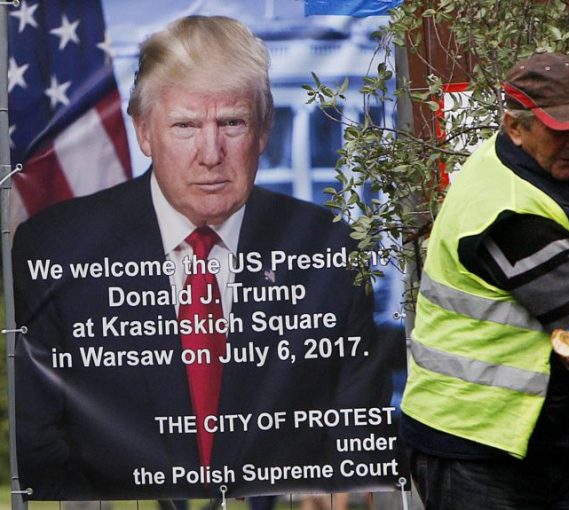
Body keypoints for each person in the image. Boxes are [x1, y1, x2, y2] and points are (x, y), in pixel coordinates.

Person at [13, 16, 397, 501]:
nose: (210, 153)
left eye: (231, 123)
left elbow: (356, 429)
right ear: (144, 133)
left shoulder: (329, 248)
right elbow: (39, 443)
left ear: (263, 131)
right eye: (186, 126)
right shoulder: (56, 247)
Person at [400, 52, 569, 509]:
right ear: (515, 126)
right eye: (562, 130)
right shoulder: (510, 213)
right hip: (471, 443)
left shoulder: (523, 166)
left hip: (534, 439)